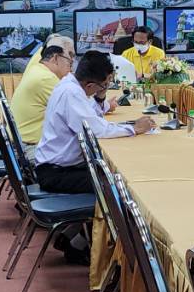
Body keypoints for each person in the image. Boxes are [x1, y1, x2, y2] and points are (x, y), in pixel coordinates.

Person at [32, 50, 155, 195]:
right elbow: (97, 130)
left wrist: (100, 95)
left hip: (62, 166)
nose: (105, 87)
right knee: (121, 185)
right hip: (56, 173)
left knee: (116, 174)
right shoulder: (71, 93)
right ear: (90, 85)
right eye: (104, 85)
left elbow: (90, 115)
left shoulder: (70, 84)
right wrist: (134, 128)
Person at [11, 42, 74, 144]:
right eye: (69, 62)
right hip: (30, 146)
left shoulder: (36, 69)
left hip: (20, 139)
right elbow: (74, 110)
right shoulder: (46, 78)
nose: (70, 69)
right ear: (56, 58)